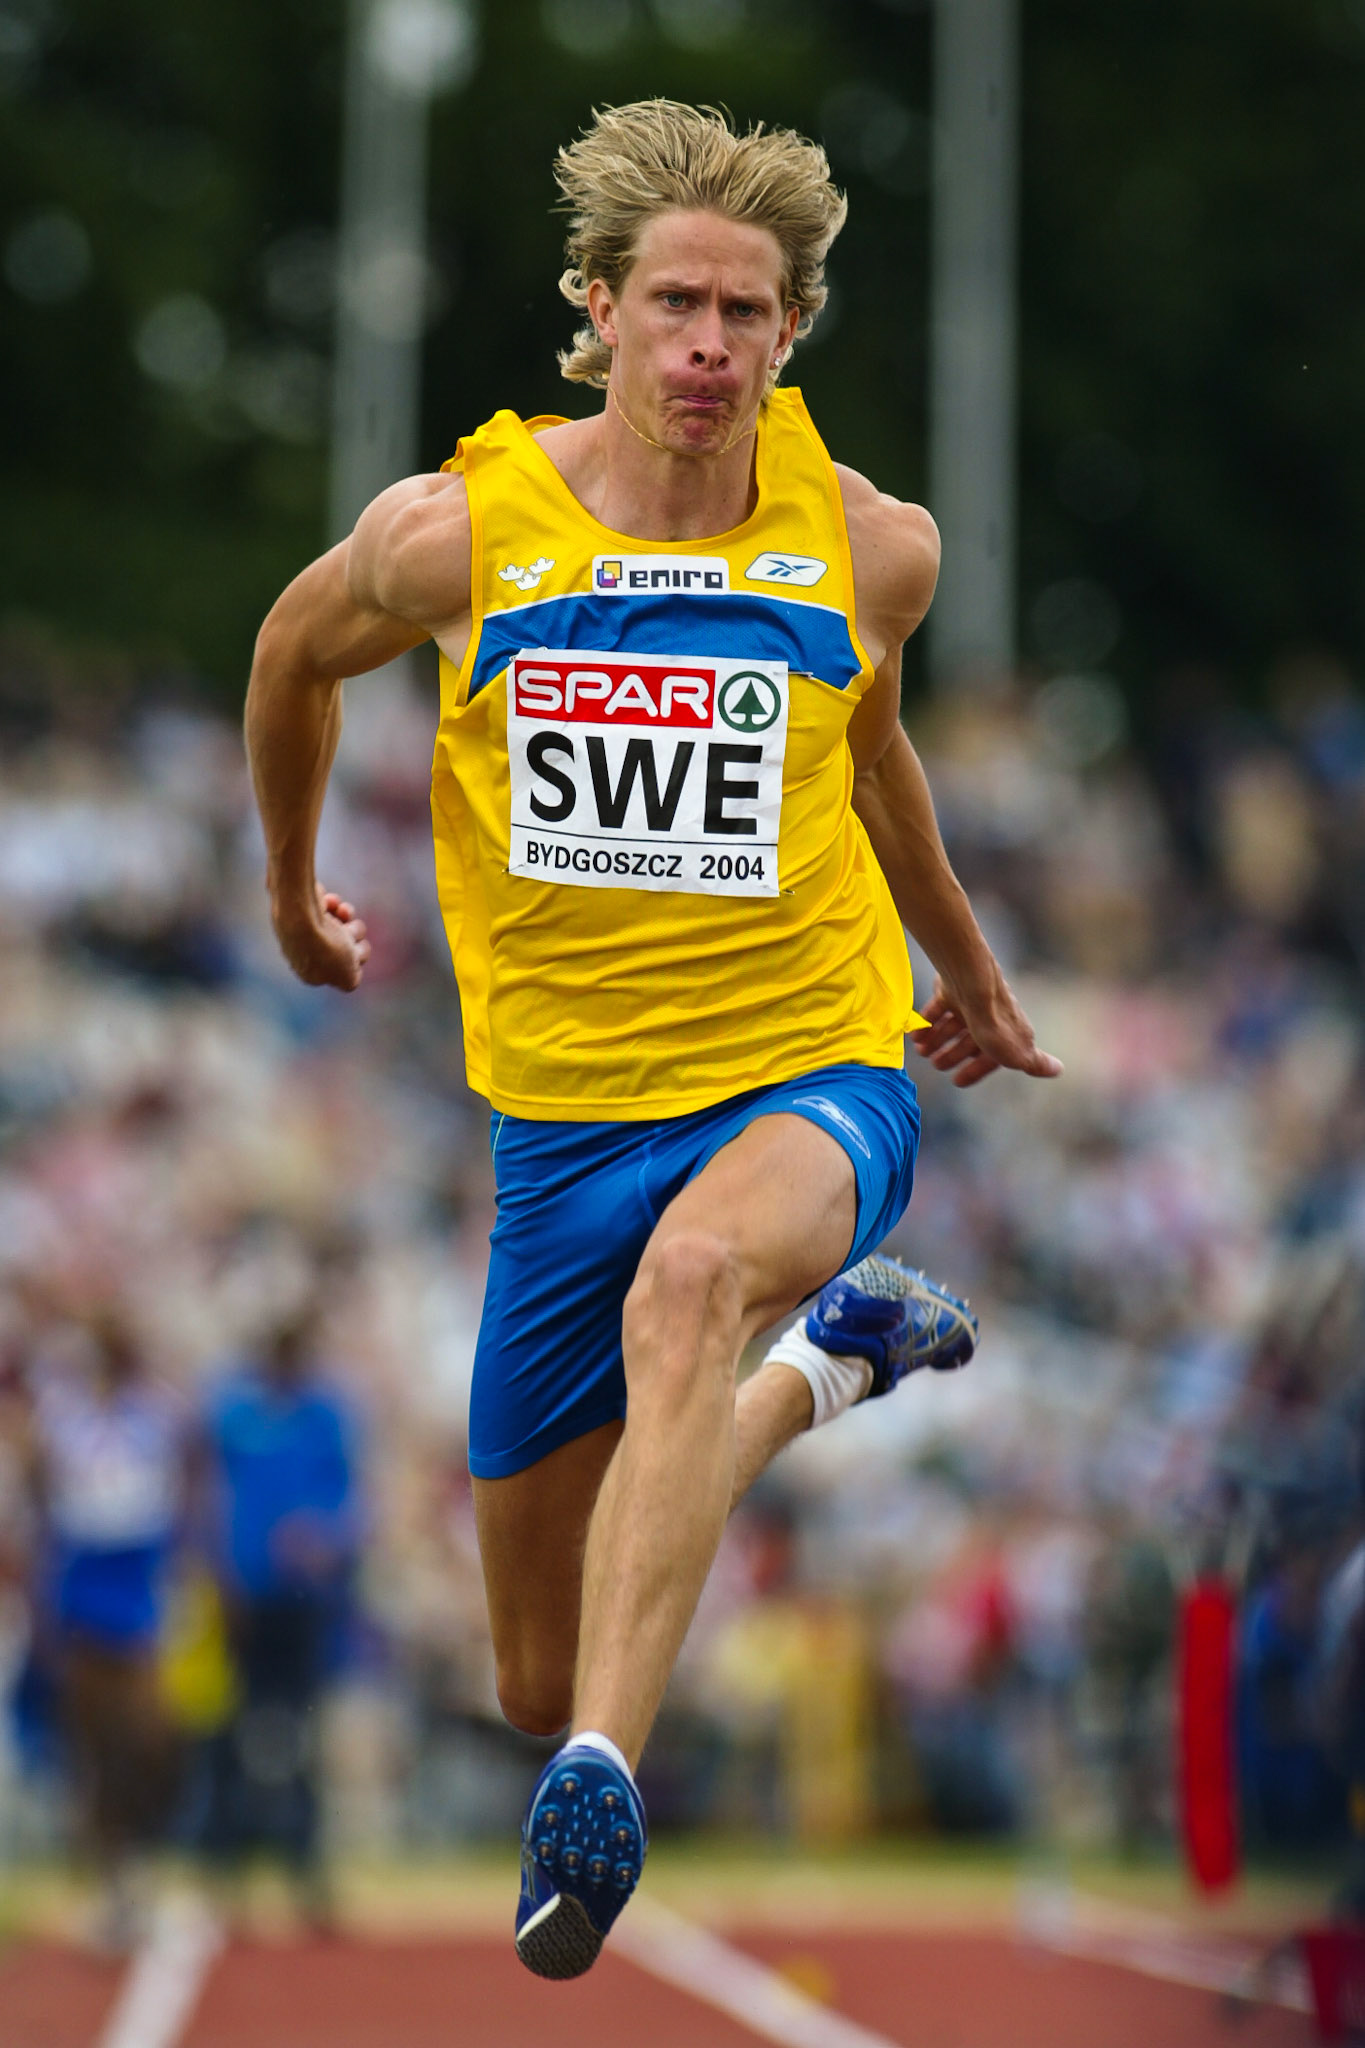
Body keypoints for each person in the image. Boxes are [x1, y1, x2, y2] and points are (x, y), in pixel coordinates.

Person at [244, 100, 1061, 1978]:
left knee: (696, 1279)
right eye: (675, 302)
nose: (708, 344)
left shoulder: (870, 547)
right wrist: (292, 892)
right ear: (595, 309)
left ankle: (605, 1778)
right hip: (559, 1133)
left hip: (806, 1075)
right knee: (530, 1662)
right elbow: (290, 662)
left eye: (746, 311)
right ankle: (831, 1367)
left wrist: (970, 967)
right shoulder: (457, 536)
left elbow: (869, 757)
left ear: (792, 332)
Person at [197, 1308, 362, 1921]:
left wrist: (325, 1540)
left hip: (302, 1603)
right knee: (232, 1733)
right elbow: (210, 1497)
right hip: (245, 1596)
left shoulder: (327, 1415)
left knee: (300, 1735)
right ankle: (226, 1871)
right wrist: (220, 1573)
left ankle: (304, 1867)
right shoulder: (233, 1412)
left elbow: (350, 1505)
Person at [28, 1309, 184, 1947]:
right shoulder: (63, 1427)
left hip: (138, 1602)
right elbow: (46, 1520)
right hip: (84, 1601)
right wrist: (46, 1609)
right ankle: (111, 1879)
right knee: (94, 1753)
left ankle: (136, 1858)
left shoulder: (154, 1421)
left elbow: (179, 1500)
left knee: (150, 1743)